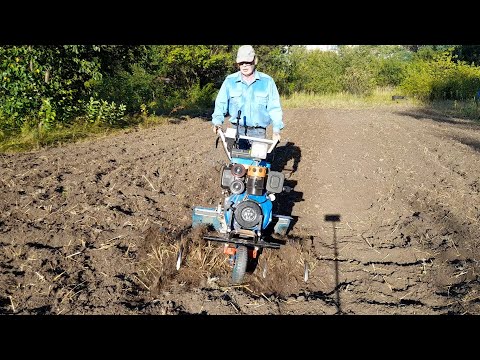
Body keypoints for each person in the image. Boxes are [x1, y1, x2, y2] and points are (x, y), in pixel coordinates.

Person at [211, 45, 284, 146]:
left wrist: (276, 131)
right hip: (236, 131)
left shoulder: (267, 82)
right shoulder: (230, 81)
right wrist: (217, 122)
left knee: (257, 160)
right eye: (241, 63)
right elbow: (220, 103)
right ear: (238, 64)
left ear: (255, 61)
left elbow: (274, 108)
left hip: (259, 132)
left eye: (248, 62)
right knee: (237, 160)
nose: (244, 65)